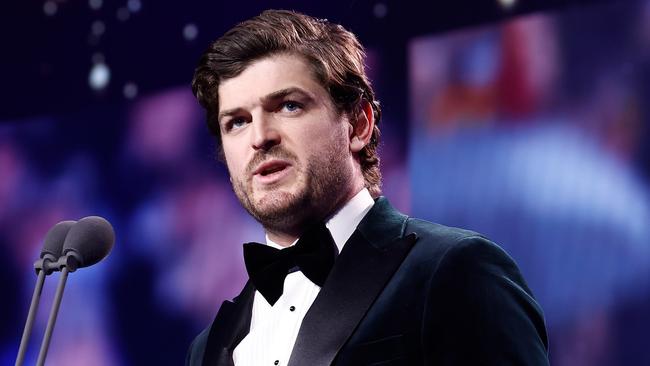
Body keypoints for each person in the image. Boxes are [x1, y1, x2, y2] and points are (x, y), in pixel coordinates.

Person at [186, 9, 549, 366]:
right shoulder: (208, 345)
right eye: (236, 122)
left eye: (289, 106)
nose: (260, 137)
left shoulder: (456, 271)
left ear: (358, 124)